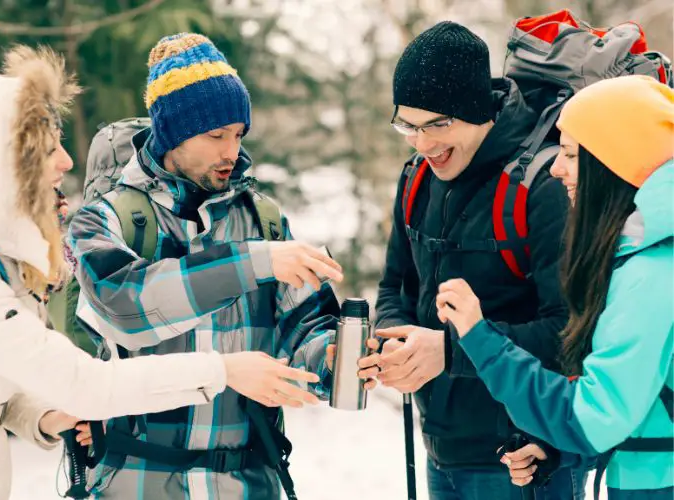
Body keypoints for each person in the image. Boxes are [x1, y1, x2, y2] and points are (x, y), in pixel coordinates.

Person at [0, 45, 321, 500]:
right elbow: (87, 380)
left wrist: (43, 416)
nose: (66, 162)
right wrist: (224, 370)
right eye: (46, 149)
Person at [67, 33, 372, 499]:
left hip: (248, 482)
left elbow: (305, 326)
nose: (231, 150)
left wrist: (329, 356)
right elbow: (125, 308)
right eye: (215, 136)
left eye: (238, 134)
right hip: (139, 482)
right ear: (172, 132)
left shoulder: (264, 220)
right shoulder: (103, 218)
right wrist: (254, 263)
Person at [371, 21, 586, 499]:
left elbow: (571, 331)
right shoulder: (416, 180)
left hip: (525, 458)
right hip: (440, 449)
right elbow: (395, 286)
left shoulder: (544, 186)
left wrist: (448, 351)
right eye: (409, 125)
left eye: (438, 125)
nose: (423, 144)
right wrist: (393, 341)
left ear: (477, 111)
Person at [437, 75, 674, 499]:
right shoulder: (647, 257)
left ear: (613, 163)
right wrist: (556, 448)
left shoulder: (652, 277)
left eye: (569, 154)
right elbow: (646, 406)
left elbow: (593, 419)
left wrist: (481, 337)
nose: (557, 168)